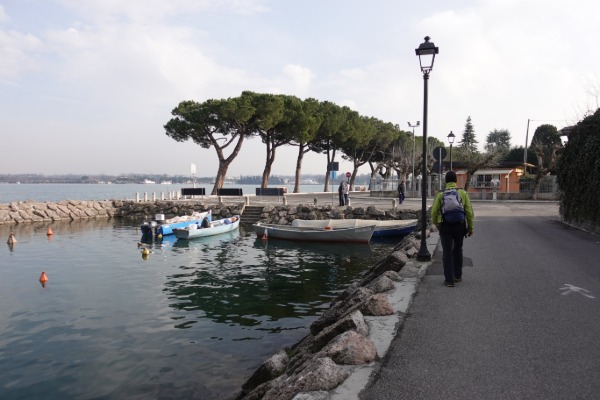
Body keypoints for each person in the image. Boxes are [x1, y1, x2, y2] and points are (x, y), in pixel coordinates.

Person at [431, 171, 474, 287]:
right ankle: (458, 275)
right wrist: (470, 228)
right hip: (460, 226)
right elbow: (469, 212)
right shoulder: (462, 193)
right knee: (458, 249)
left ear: (446, 181)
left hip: (445, 226)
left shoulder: (441, 195)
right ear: (456, 181)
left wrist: (437, 224)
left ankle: (449, 280)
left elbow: (434, 212)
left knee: (447, 252)